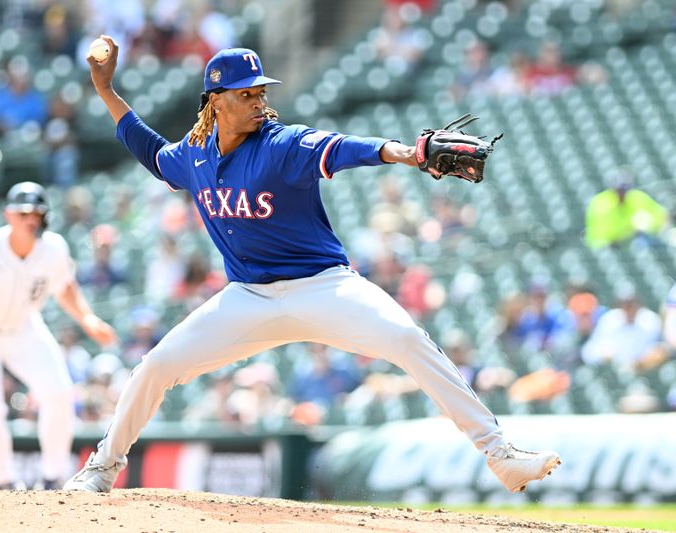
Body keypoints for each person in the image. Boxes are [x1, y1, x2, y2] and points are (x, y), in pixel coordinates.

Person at [64, 38, 560, 494]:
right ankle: (103, 468)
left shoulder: (281, 144)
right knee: (155, 367)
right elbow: (151, 151)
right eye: (245, 93)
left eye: (260, 91)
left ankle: (499, 454)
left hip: (323, 288)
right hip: (249, 298)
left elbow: (342, 148)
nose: (258, 100)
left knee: (408, 340)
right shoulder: (194, 154)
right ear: (215, 100)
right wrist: (106, 90)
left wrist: (407, 154)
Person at [0, 181, 118, 489]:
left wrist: (87, 318)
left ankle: (53, 477)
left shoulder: (53, 248)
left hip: (23, 329)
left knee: (58, 393)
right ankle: (4, 482)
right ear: (9, 215)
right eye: (24, 212)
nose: (31, 219)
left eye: (36, 213)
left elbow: (65, 286)